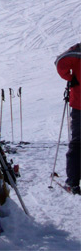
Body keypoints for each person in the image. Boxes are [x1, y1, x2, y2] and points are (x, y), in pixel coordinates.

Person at [59, 43, 81, 190]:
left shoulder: (78, 51)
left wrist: (71, 78)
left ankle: (72, 181)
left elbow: (61, 63)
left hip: (79, 104)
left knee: (78, 142)